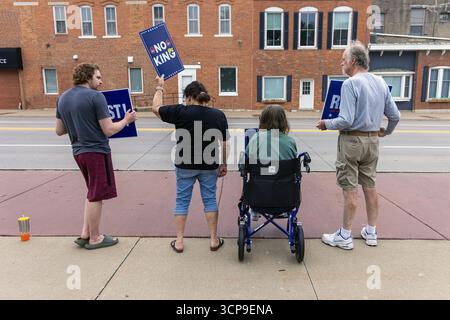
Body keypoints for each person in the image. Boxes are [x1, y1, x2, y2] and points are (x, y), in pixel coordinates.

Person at [316, 41, 401, 250]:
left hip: (352, 141)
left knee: (350, 190)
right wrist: (385, 131)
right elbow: (395, 115)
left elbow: (345, 120)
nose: (341, 62)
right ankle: (371, 232)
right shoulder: (380, 82)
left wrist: (326, 124)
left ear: (353, 61)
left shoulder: (350, 84)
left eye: (343, 59)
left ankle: (345, 236)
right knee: (370, 187)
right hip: (372, 141)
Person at [55, 63, 136, 250]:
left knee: (91, 192)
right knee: (96, 195)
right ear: (87, 77)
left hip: (78, 152)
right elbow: (109, 129)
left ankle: (85, 233)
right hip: (97, 151)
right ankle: (95, 237)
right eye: (98, 77)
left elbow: (59, 130)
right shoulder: (95, 97)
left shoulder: (63, 98)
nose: (101, 81)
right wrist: (126, 120)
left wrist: (78, 122)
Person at [152, 75, 229, 253]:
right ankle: (213, 240)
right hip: (209, 165)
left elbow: (155, 108)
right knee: (210, 200)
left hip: (184, 164)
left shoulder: (180, 111)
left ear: (188, 97)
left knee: (181, 201)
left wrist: (160, 87)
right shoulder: (218, 115)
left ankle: (179, 242)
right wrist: (223, 164)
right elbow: (224, 143)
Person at [246, 105, 298, 220]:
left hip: (259, 195)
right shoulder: (290, 141)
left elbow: (246, 163)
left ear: (263, 120)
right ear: (284, 121)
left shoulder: (256, 138)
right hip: (284, 196)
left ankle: (254, 210)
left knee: (254, 175)